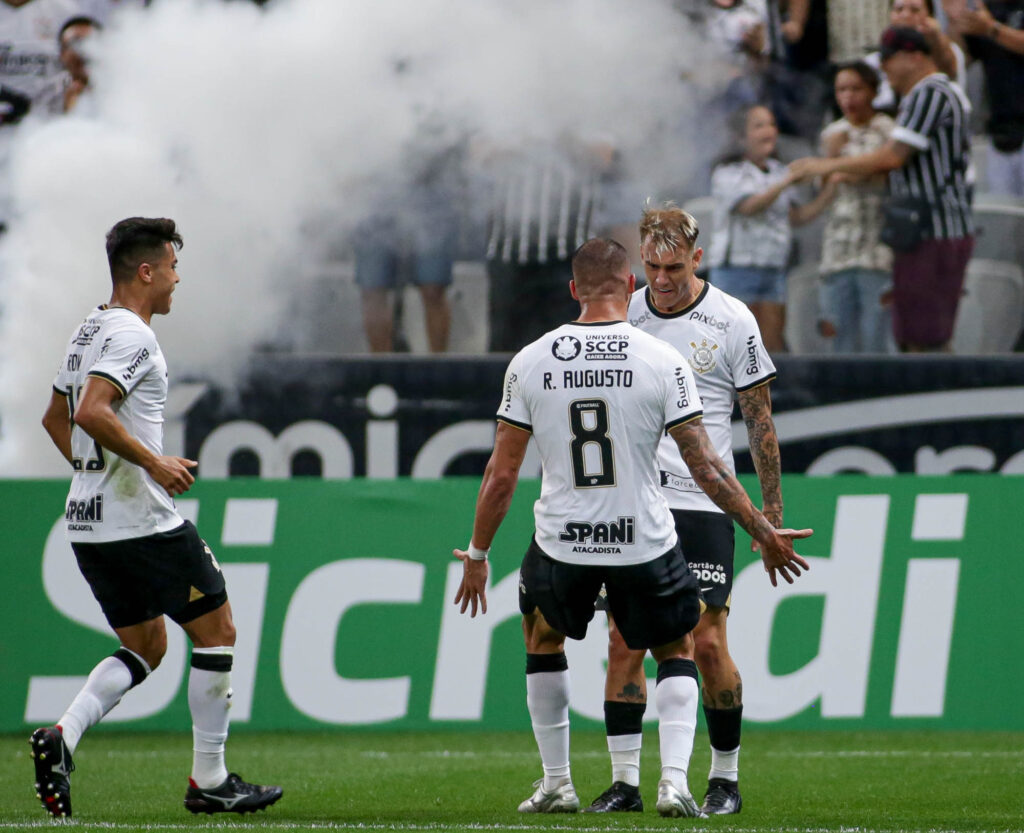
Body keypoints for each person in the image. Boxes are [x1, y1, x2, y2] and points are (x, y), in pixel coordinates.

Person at [452, 237, 811, 817]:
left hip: (563, 537)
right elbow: (707, 465)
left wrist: (476, 552)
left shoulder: (531, 359)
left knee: (543, 637)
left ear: (573, 290)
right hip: (641, 536)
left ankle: (558, 782)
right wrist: (763, 527)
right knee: (675, 644)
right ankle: (673, 782)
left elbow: (501, 474)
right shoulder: (660, 360)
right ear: (629, 287)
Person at [35, 217, 282, 818]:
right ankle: (210, 780)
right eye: (171, 267)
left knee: (146, 645)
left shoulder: (85, 330)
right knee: (217, 629)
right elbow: (91, 410)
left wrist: (93, 473)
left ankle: (62, 737)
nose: (177, 279)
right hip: (139, 519)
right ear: (146, 272)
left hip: (88, 522)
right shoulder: (132, 336)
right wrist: (155, 463)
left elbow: (54, 418)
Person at [580, 204, 784, 817]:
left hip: (703, 502)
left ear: (698, 259)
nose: (660, 279)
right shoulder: (628, 313)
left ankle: (724, 777)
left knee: (708, 640)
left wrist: (769, 510)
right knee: (622, 639)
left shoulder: (732, 321)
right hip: (634, 502)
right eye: (650, 266)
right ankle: (624, 783)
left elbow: (759, 419)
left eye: (672, 267)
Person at [790, 26, 973, 352]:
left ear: (914, 57)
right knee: (917, 337)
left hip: (934, 229)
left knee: (924, 338)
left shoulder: (930, 93)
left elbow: (891, 158)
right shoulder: (918, 97)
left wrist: (823, 165)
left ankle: (938, 401)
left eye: (889, 58)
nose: (884, 67)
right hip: (919, 232)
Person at [706, 104, 835, 352]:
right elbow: (749, 207)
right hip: (736, 268)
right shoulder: (728, 173)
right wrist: (786, 181)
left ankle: (774, 391)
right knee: (736, 345)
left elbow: (796, 217)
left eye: (772, 125)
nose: (769, 131)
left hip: (773, 267)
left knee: (771, 343)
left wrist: (830, 192)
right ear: (741, 137)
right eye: (759, 126)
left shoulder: (778, 171)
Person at [816, 62, 896, 353]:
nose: (848, 97)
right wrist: (832, 156)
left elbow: (883, 171)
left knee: (877, 338)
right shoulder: (832, 134)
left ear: (873, 91)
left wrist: (838, 169)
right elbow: (821, 187)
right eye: (842, 90)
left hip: (876, 250)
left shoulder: (888, 130)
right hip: (837, 251)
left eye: (856, 89)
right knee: (839, 341)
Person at [950, 0, 1024, 197]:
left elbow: (990, 29)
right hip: (1001, 132)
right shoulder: (988, 7)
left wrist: (991, 28)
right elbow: (957, 62)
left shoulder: (989, 19)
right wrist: (955, 20)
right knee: (1004, 219)